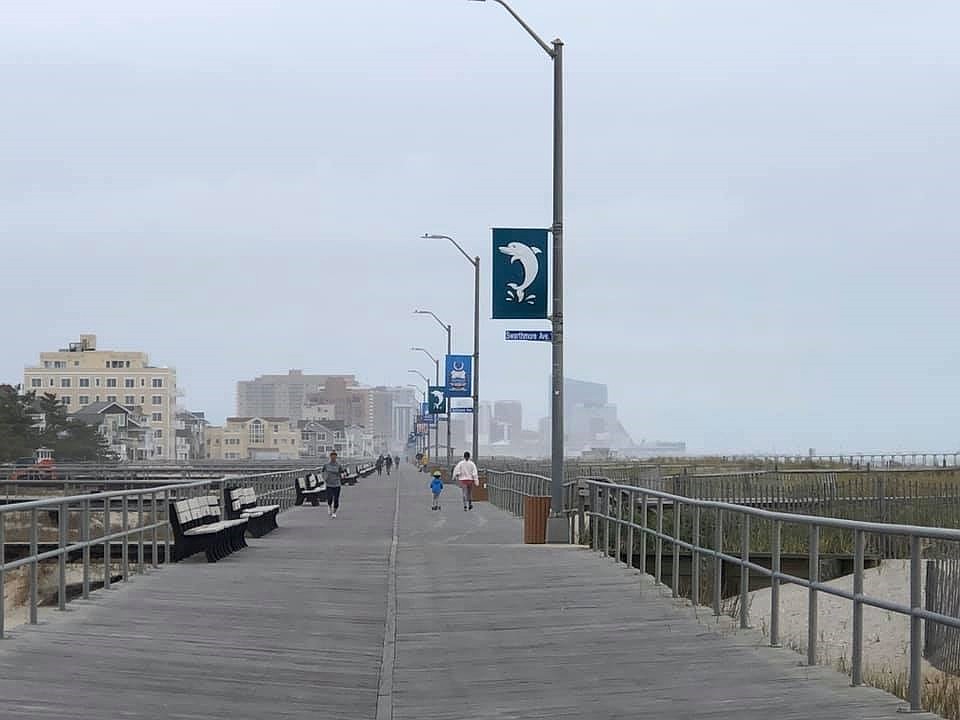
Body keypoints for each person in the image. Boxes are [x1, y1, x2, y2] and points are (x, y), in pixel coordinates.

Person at [320, 450, 346, 518]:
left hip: (337, 484)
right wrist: (324, 478)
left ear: (336, 457)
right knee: (330, 498)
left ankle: (334, 512)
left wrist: (342, 475)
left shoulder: (339, 465)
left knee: (336, 499)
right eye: (332, 457)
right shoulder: (326, 465)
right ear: (330, 457)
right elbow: (322, 472)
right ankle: (329, 506)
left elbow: (343, 472)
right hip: (329, 484)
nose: (333, 458)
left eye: (334, 457)